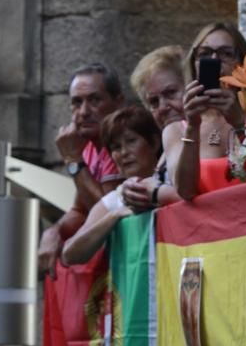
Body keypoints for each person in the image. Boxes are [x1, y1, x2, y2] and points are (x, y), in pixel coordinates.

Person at [38, 62, 124, 276]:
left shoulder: (122, 144)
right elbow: (80, 210)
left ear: (118, 102)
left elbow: (108, 213)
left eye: (94, 100)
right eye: (77, 103)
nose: (84, 112)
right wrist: (54, 231)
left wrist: (74, 161)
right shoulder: (87, 147)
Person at [61, 106, 176, 264]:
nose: (123, 152)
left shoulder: (175, 182)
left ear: (155, 142)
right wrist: (115, 215)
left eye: (131, 141)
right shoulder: (115, 200)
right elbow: (69, 255)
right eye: (116, 147)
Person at [162, 22, 246, 200]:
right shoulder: (176, 130)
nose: (215, 60)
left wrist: (241, 124)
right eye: (205, 54)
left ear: (241, 62)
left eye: (226, 54)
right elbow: (185, 191)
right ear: (194, 63)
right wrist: (193, 126)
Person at [119, 45, 187, 212]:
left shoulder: (211, 133)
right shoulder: (169, 140)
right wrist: (133, 192)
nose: (163, 107)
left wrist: (156, 192)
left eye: (171, 93)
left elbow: (208, 196)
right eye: (154, 102)